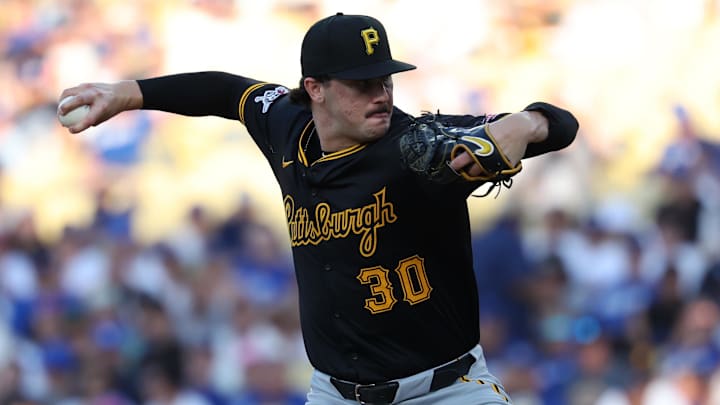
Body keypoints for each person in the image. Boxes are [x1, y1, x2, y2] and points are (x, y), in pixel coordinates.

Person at [58, 12, 578, 405]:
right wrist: (126, 93)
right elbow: (223, 91)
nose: (380, 94)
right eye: (362, 83)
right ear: (315, 90)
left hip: (447, 390)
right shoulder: (286, 124)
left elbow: (562, 124)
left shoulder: (419, 145)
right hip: (335, 393)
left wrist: (527, 123)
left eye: (386, 79)